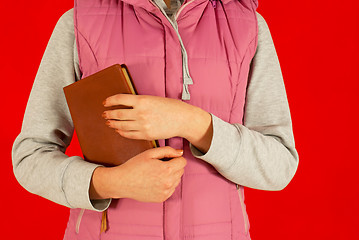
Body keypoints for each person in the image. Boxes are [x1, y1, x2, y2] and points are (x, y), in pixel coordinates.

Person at [12, 0, 299, 239]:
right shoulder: (79, 24)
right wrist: (111, 182)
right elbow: (30, 157)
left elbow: (279, 164)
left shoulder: (247, 27)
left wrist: (193, 123)